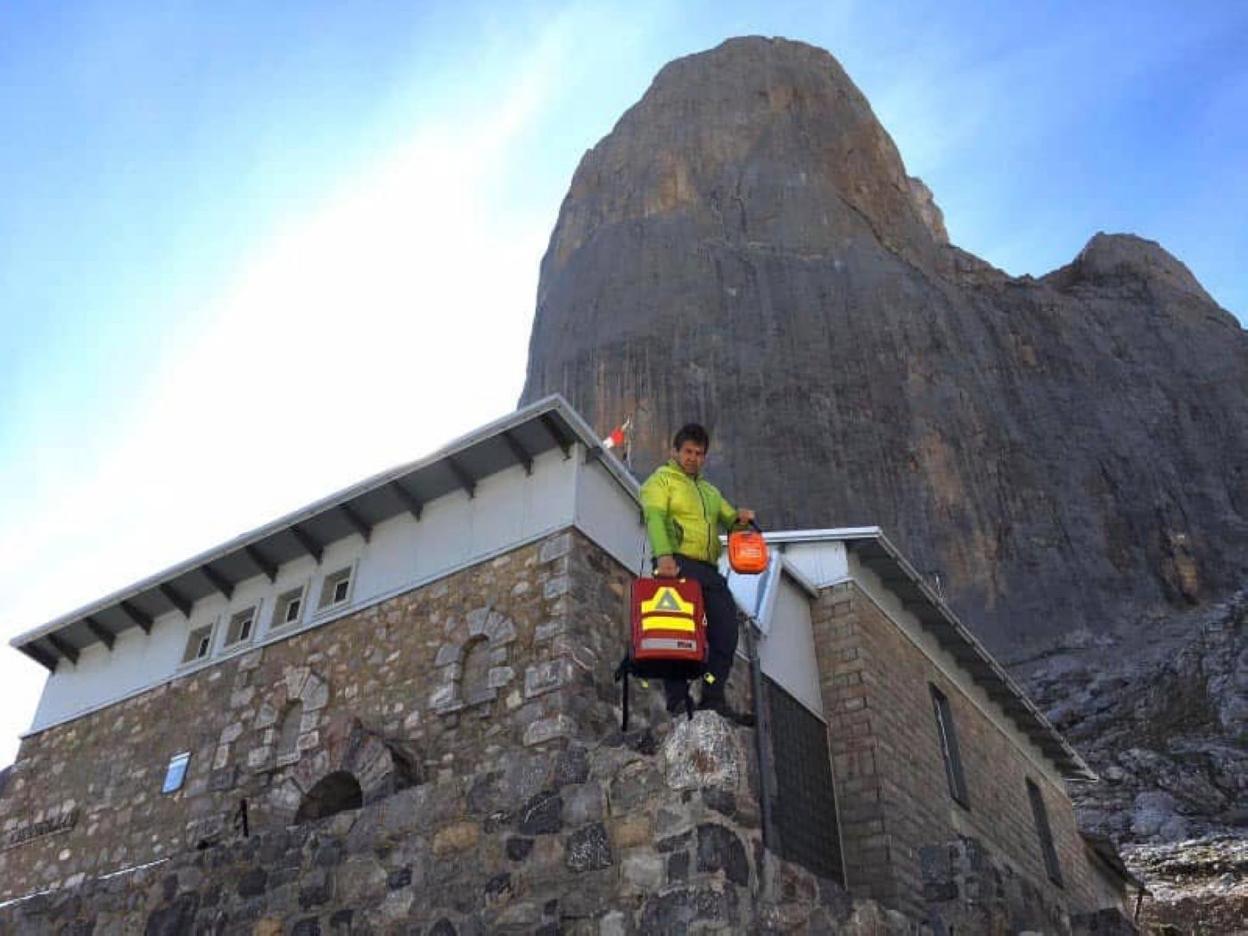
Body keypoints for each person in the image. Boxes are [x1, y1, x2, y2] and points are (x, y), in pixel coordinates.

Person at [639, 422, 755, 721]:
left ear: (704, 457)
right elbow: (654, 517)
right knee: (674, 631)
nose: (693, 457)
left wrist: (740, 519)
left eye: (699, 453)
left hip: (708, 568)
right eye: (688, 451)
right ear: (674, 451)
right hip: (674, 563)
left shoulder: (710, 492)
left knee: (726, 633)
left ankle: (713, 696)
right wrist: (664, 556)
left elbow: (730, 520)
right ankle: (677, 700)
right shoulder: (660, 481)